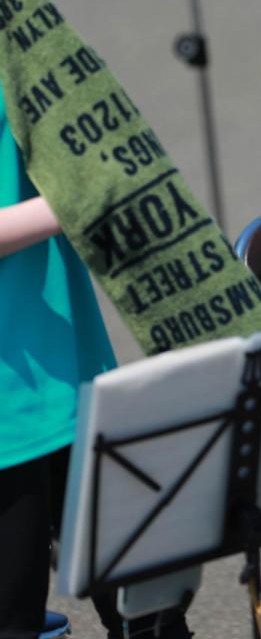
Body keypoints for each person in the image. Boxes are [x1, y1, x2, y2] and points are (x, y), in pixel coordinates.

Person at [0, 89, 190, 639]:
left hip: (77, 375)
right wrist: (79, 198)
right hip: (9, 410)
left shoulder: (20, 32)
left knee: (154, 620)